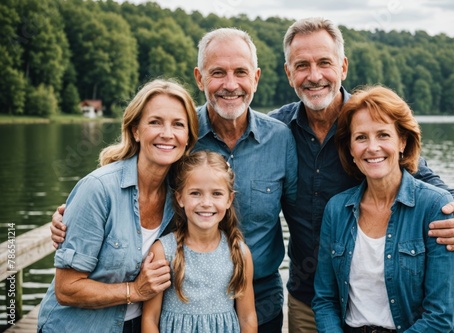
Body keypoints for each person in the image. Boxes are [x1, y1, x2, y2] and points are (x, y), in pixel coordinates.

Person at [50, 28, 298, 332]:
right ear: (199, 78)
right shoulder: (183, 135)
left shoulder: (279, 138)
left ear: (256, 78)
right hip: (176, 305)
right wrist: (73, 216)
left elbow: (301, 217)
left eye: (240, 72)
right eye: (218, 72)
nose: (230, 84)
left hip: (258, 300)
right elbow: (127, 176)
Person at [267, 17, 454, 332]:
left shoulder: (369, 119)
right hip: (311, 302)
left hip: (398, 311)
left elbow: (421, 175)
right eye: (302, 65)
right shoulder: (275, 132)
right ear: (288, 72)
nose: (314, 76)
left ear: (343, 67)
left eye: (325, 63)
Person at [37, 78, 199, 333]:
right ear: (135, 130)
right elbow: (66, 289)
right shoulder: (98, 189)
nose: (167, 133)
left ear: (188, 136)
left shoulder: (182, 197)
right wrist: (134, 290)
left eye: (178, 124)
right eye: (155, 122)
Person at [312, 85, 454, 332]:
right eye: (361, 137)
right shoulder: (337, 210)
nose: (372, 147)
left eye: (383, 135)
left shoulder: (435, 207)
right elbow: (325, 301)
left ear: (402, 141)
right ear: (350, 148)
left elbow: (440, 316)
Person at [141, 151, 257, 332]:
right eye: (195, 193)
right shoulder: (163, 251)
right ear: (180, 198)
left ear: (229, 199)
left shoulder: (239, 253)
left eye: (217, 193)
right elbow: (150, 318)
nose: (206, 203)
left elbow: (247, 317)